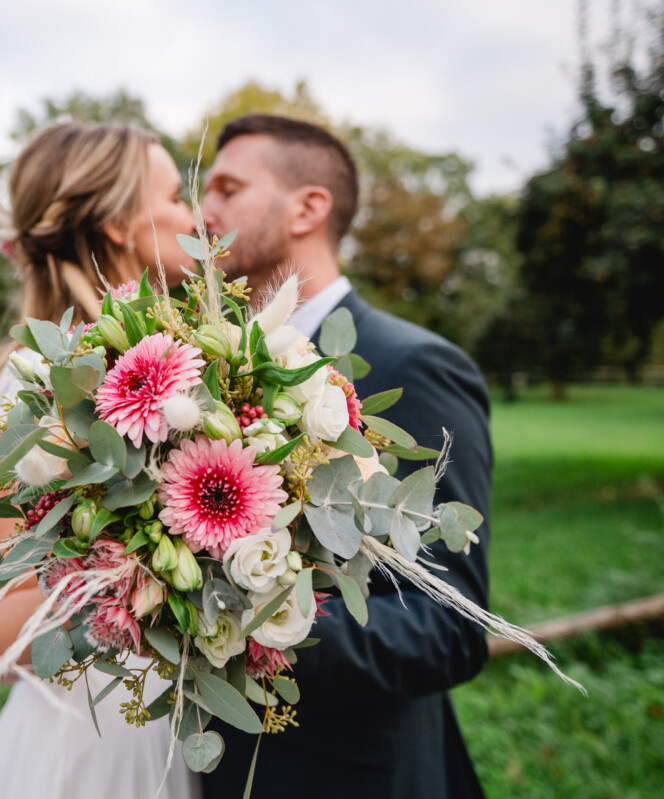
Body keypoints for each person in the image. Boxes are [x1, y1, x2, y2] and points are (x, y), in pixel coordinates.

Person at [199, 114, 493, 797]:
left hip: (347, 773)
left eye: (228, 188)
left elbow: (448, 623)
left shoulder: (414, 365)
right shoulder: (209, 373)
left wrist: (242, 628)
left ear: (308, 206)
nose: (202, 210)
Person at [0, 121, 202, 799]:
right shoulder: (49, 382)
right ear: (121, 223)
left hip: (171, 720)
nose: (196, 217)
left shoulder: (182, 359)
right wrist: (159, 568)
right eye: (177, 197)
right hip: (97, 743)